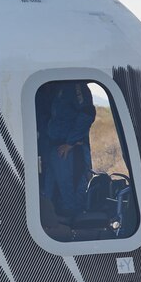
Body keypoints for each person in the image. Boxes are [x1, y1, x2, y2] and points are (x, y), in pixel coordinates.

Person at [42, 81, 96, 217]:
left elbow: (87, 113)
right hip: (54, 148)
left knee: (71, 196)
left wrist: (71, 143)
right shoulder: (56, 88)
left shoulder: (76, 86)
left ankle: (75, 230)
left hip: (69, 150)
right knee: (50, 194)